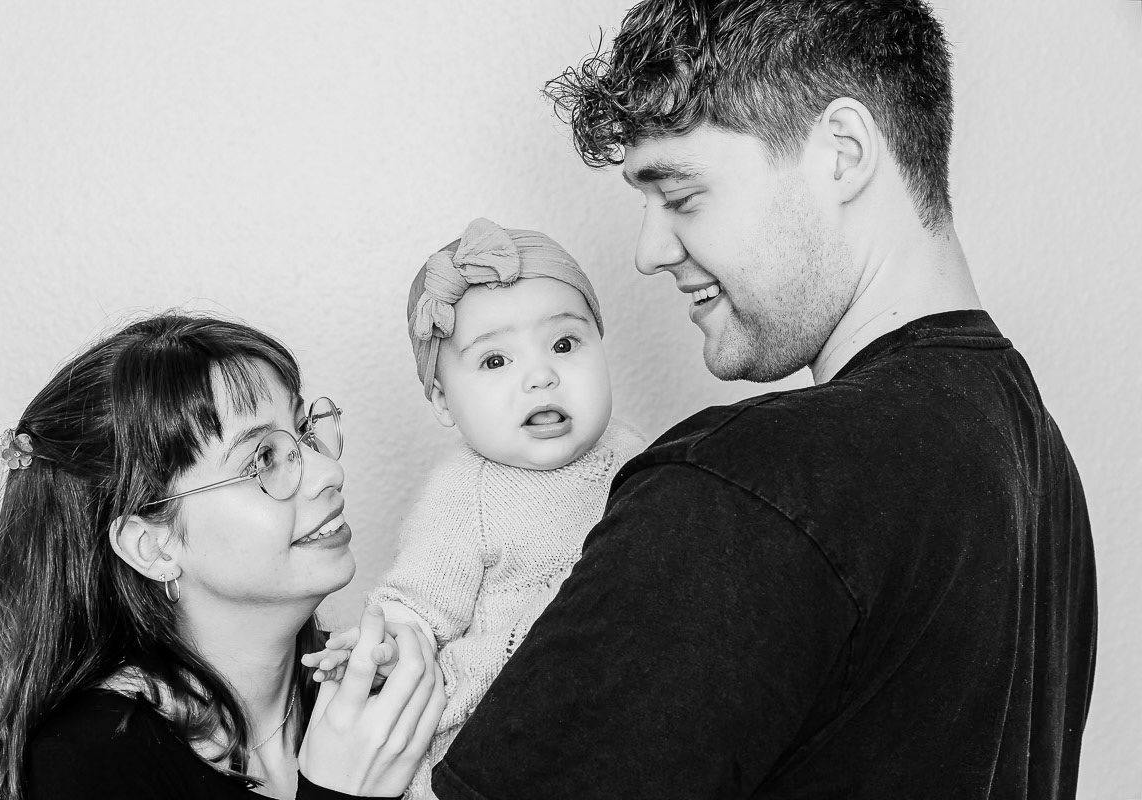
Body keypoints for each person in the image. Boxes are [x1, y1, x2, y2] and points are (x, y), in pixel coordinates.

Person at [431, 2, 1097, 799]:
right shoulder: (1035, 453)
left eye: (680, 195)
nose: (649, 251)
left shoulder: (745, 485)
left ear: (842, 153)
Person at [0, 313, 446, 800]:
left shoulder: (371, 697)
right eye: (262, 459)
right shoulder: (84, 765)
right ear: (153, 546)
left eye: (304, 430)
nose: (328, 473)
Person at [303, 217, 648, 799]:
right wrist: (386, 646)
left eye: (564, 345)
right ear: (443, 400)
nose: (541, 377)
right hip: (489, 743)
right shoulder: (466, 494)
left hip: (609, 718)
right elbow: (416, 606)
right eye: (495, 361)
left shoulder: (638, 455)